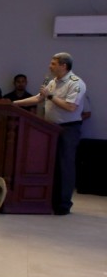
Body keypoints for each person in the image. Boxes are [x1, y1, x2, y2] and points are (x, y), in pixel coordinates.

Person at [12, 52, 86, 215]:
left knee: (65, 165)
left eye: (53, 63)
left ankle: (63, 204)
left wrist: (50, 96)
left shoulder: (76, 83)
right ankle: (50, 200)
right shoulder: (53, 81)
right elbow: (39, 98)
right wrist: (13, 103)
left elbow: (70, 107)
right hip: (50, 128)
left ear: (63, 66)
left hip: (68, 128)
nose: (49, 66)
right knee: (51, 165)